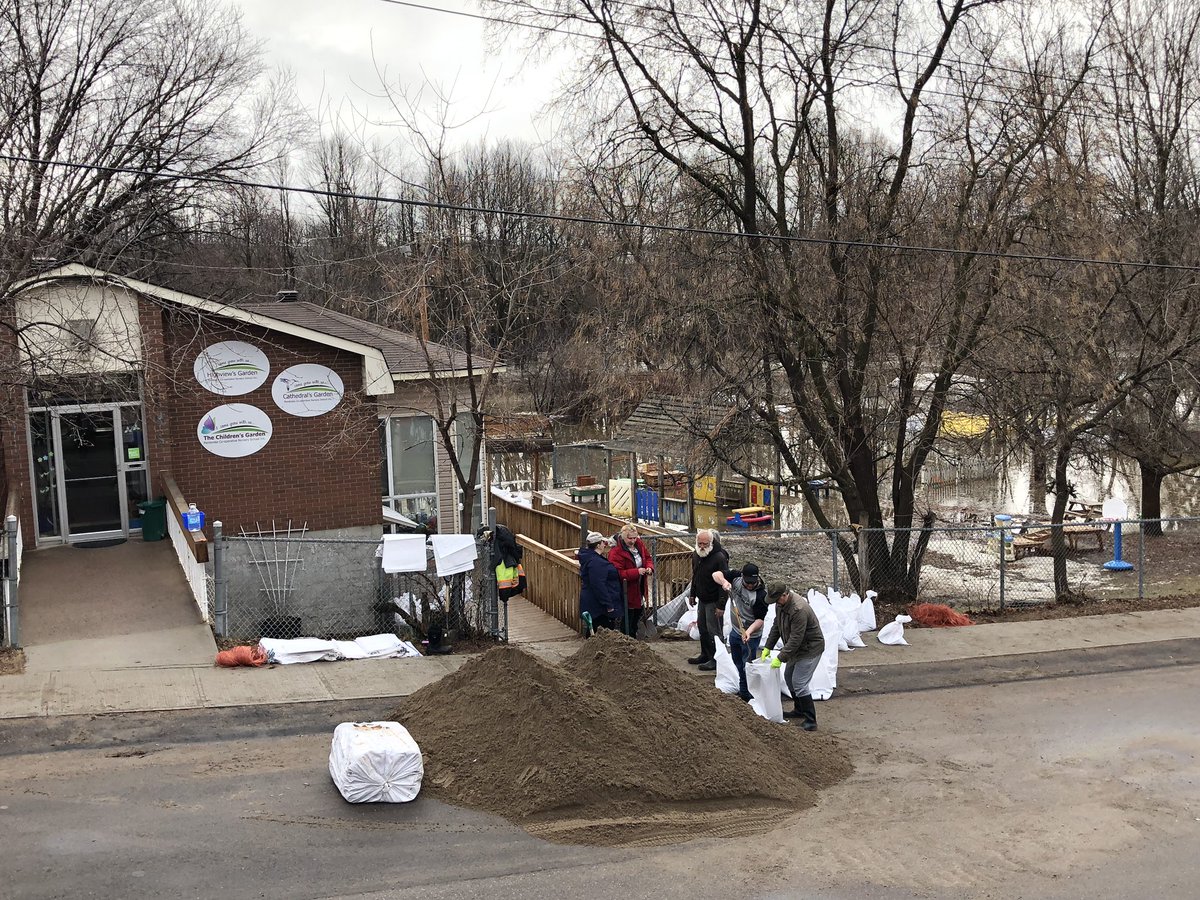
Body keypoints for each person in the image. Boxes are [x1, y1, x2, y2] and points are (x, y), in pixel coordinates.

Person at [761, 582, 825, 730]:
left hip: (810, 649)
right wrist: (768, 647)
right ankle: (799, 710)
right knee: (789, 678)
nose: (775, 603)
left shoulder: (798, 609)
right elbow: (776, 626)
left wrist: (780, 657)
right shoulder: (781, 604)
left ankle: (811, 720)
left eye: (777, 599)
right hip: (797, 649)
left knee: (800, 683)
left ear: (785, 595)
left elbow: (796, 638)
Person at [712, 562, 768, 702]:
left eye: (752, 583)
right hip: (736, 631)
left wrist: (748, 632)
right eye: (748, 582)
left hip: (751, 635)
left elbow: (760, 620)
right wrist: (724, 582)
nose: (750, 585)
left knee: (746, 665)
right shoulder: (736, 577)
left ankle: (746, 694)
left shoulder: (760, 595)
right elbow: (715, 574)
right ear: (743, 576)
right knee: (737, 662)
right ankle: (742, 686)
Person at [687, 528, 729, 671]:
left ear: (711, 542)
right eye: (699, 544)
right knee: (703, 629)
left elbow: (724, 582)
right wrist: (692, 594)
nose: (702, 546)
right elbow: (695, 576)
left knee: (714, 631)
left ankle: (717, 659)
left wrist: (721, 605)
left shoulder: (719, 558)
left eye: (705, 544)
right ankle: (705, 653)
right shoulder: (696, 555)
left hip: (714, 600)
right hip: (702, 598)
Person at [607, 523, 654, 638]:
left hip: (639, 586)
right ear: (623, 537)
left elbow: (647, 557)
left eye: (634, 537)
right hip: (625, 589)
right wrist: (636, 572)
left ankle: (633, 636)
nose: (633, 541)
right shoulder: (616, 552)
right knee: (628, 616)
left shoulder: (639, 544)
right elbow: (617, 573)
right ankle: (627, 638)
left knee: (637, 613)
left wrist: (649, 567)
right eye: (630, 538)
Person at [578, 531, 622, 635]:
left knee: (594, 630)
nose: (604, 545)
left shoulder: (589, 558)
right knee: (601, 632)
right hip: (598, 607)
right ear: (598, 545)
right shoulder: (596, 562)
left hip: (593, 602)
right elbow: (598, 585)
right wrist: (608, 604)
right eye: (603, 543)